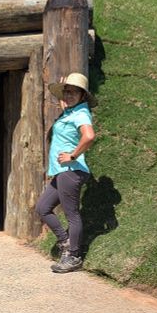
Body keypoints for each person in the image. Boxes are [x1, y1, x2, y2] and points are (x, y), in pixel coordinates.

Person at [36, 72, 97, 273]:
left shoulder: (81, 113)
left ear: (83, 95)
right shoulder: (71, 112)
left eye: (74, 92)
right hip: (62, 172)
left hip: (71, 170)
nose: (69, 95)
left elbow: (89, 136)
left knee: (72, 214)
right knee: (43, 207)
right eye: (67, 92)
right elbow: (66, 106)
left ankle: (74, 256)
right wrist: (65, 101)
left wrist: (72, 155)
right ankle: (65, 242)